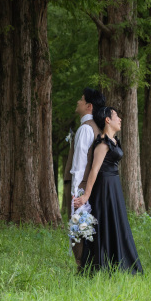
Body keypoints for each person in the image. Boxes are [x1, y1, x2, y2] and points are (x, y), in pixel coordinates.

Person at [74, 106, 143, 275]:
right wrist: (86, 196)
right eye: (116, 116)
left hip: (114, 186)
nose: (120, 119)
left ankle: (121, 263)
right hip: (104, 188)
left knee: (117, 222)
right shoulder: (103, 144)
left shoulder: (113, 141)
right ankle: (102, 266)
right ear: (107, 120)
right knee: (105, 223)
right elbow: (94, 170)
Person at [62, 87, 104, 268]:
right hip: (89, 185)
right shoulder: (96, 128)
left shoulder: (86, 129)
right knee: (86, 225)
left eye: (81, 99)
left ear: (89, 106)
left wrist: (74, 191)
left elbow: (79, 163)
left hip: (80, 185)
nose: (78, 102)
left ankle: (81, 265)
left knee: (77, 225)